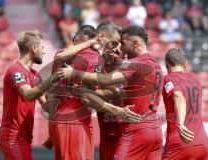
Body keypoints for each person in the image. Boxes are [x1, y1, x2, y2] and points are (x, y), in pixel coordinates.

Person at [58, 26, 163, 160]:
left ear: (135, 44)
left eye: (122, 45)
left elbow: (107, 82)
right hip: (149, 129)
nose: (120, 49)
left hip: (134, 128)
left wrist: (74, 74)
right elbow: (119, 93)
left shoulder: (132, 65)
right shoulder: (155, 64)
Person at [0, 30, 59, 160]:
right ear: (34, 48)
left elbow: (47, 107)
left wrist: (61, 92)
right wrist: (51, 80)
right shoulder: (15, 71)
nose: (44, 51)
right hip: (13, 136)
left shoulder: (35, 75)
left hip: (24, 136)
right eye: (42, 48)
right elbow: (29, 94)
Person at [162, 48, 208, 160]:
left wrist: (180, 124)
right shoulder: (196, 79)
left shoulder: (168, 79)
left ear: (167, 64)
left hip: (179, 142)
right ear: (185, 63)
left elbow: (178, 97)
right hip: (202, 143)